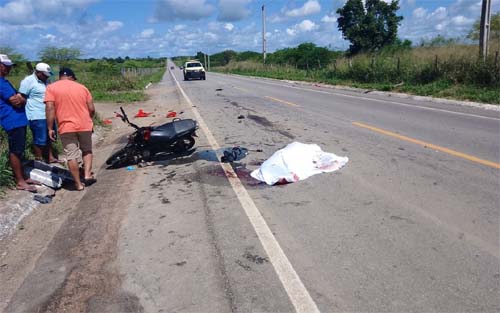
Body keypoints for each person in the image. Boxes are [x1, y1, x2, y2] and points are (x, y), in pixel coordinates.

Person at [45, 67, 96, 191]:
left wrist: (50, 128)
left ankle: (78, 184)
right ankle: (88, 175)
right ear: (71, 77)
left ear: (60, 76)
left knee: (71, 155)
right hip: (84, 125)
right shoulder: (82, 87)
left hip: (66, 126)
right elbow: (91, 108)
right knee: (87, 150)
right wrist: (90, 119)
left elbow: (50, 108)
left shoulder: (51, 88)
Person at [0, 54, 38, 193]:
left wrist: (21, 99)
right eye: (6, 66)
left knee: (19, 150)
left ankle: (23, 177)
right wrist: (22, 99)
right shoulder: (1, 83)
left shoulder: (5, 82)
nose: (9, 68)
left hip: (18, 120)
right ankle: (20, 181)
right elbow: (16, 101)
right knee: (15, 151)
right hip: (12, 120)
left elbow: (19, 98)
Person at [19, 62, 60, 163]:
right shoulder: (28, 81)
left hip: (49, 114)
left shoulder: (47, 80)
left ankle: (50, 157)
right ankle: (39, 160)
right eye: (45, 75)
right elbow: (21, 97)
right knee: (39, 139)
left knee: (50, 136)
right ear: (38, 73)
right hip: (36, 114)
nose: (47, 77)